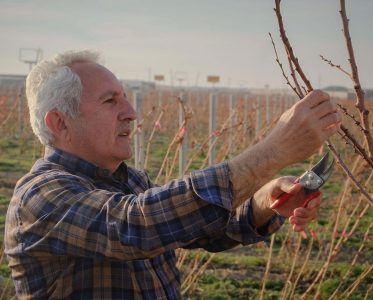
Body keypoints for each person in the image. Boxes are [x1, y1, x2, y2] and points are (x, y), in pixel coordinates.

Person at [4, 50, 341, 299]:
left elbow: (198, 228)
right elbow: (136, 226)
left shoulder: (129, 181)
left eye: (125, 99)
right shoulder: (39, 196)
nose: (131, 113)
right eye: (110, 101)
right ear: (60, 122)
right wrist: (274, 151)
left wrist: (265, 201)